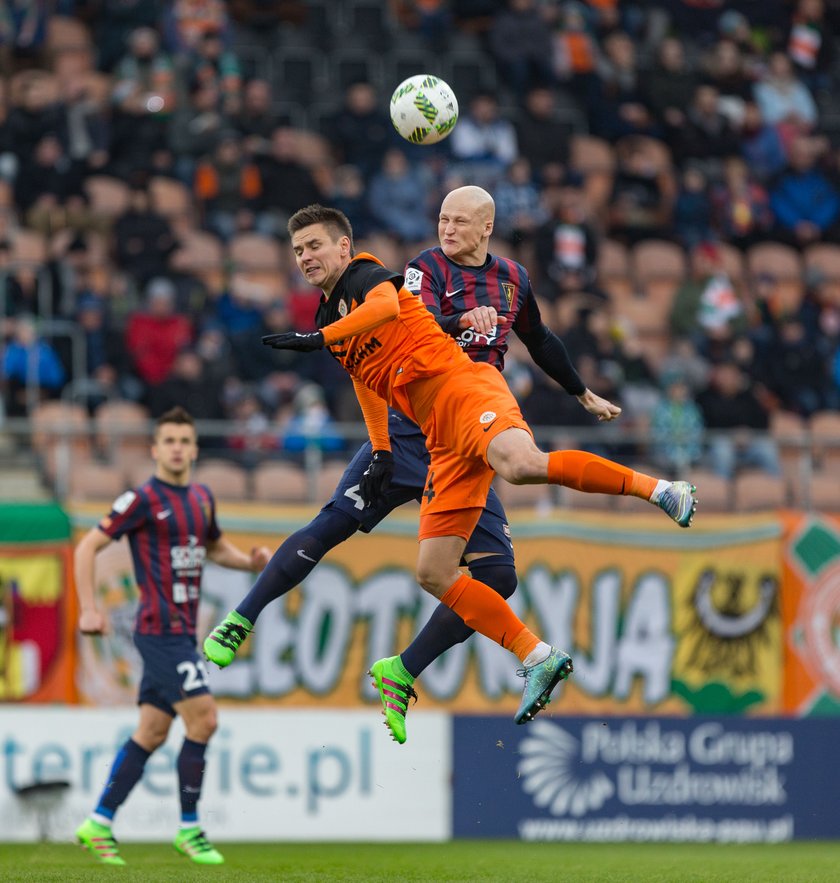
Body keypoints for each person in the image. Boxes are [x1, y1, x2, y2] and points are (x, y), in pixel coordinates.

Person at [205, 192, 697, 743]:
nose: (304, 257)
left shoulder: (369, 275)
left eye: (313, 245)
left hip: (465, 391)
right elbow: (368, 382)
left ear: (344, 247)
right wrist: (383, 450)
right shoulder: (375, 293)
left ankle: (660, 489)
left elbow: (391, 309)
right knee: (432, 571)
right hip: (428, 434)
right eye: (297, 250)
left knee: (520, 470)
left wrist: (580, 391)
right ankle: (530, 656)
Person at [73, 407, 271, 866]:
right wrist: (89, 608)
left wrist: (250, 561)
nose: (178, 447)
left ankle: (98, 822)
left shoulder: (201, 498)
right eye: (170, 440)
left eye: (185, 440)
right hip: (159, 631)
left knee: (152, 730)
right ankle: (189, 828)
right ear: (155, 449)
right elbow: (88, 545)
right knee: (204, 721)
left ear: (195, 448)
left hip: (183, 630)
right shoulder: (141, 499)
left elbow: (215, 546)